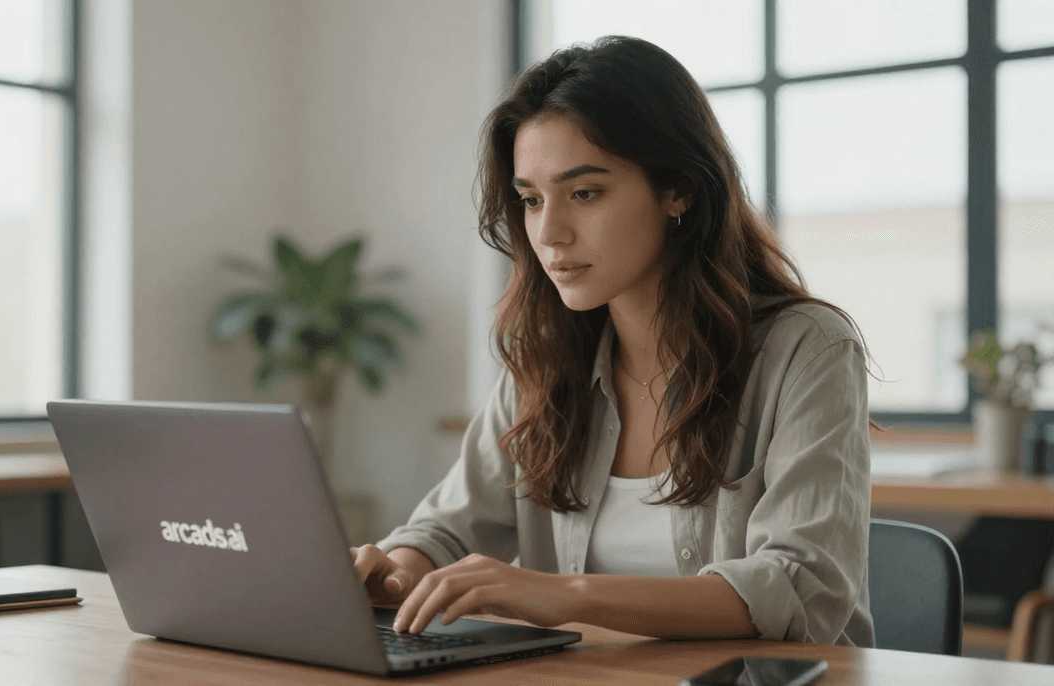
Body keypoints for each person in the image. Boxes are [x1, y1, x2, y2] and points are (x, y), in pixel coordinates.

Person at [350, 35, 875, 647]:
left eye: (584, 193)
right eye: (530, 200)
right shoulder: (545, 360)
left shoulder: (806, 350)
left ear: (678, 189)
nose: (549, 233)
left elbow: (798, 587)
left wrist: (567, 595)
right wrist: (396, 570)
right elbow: (446, 531)